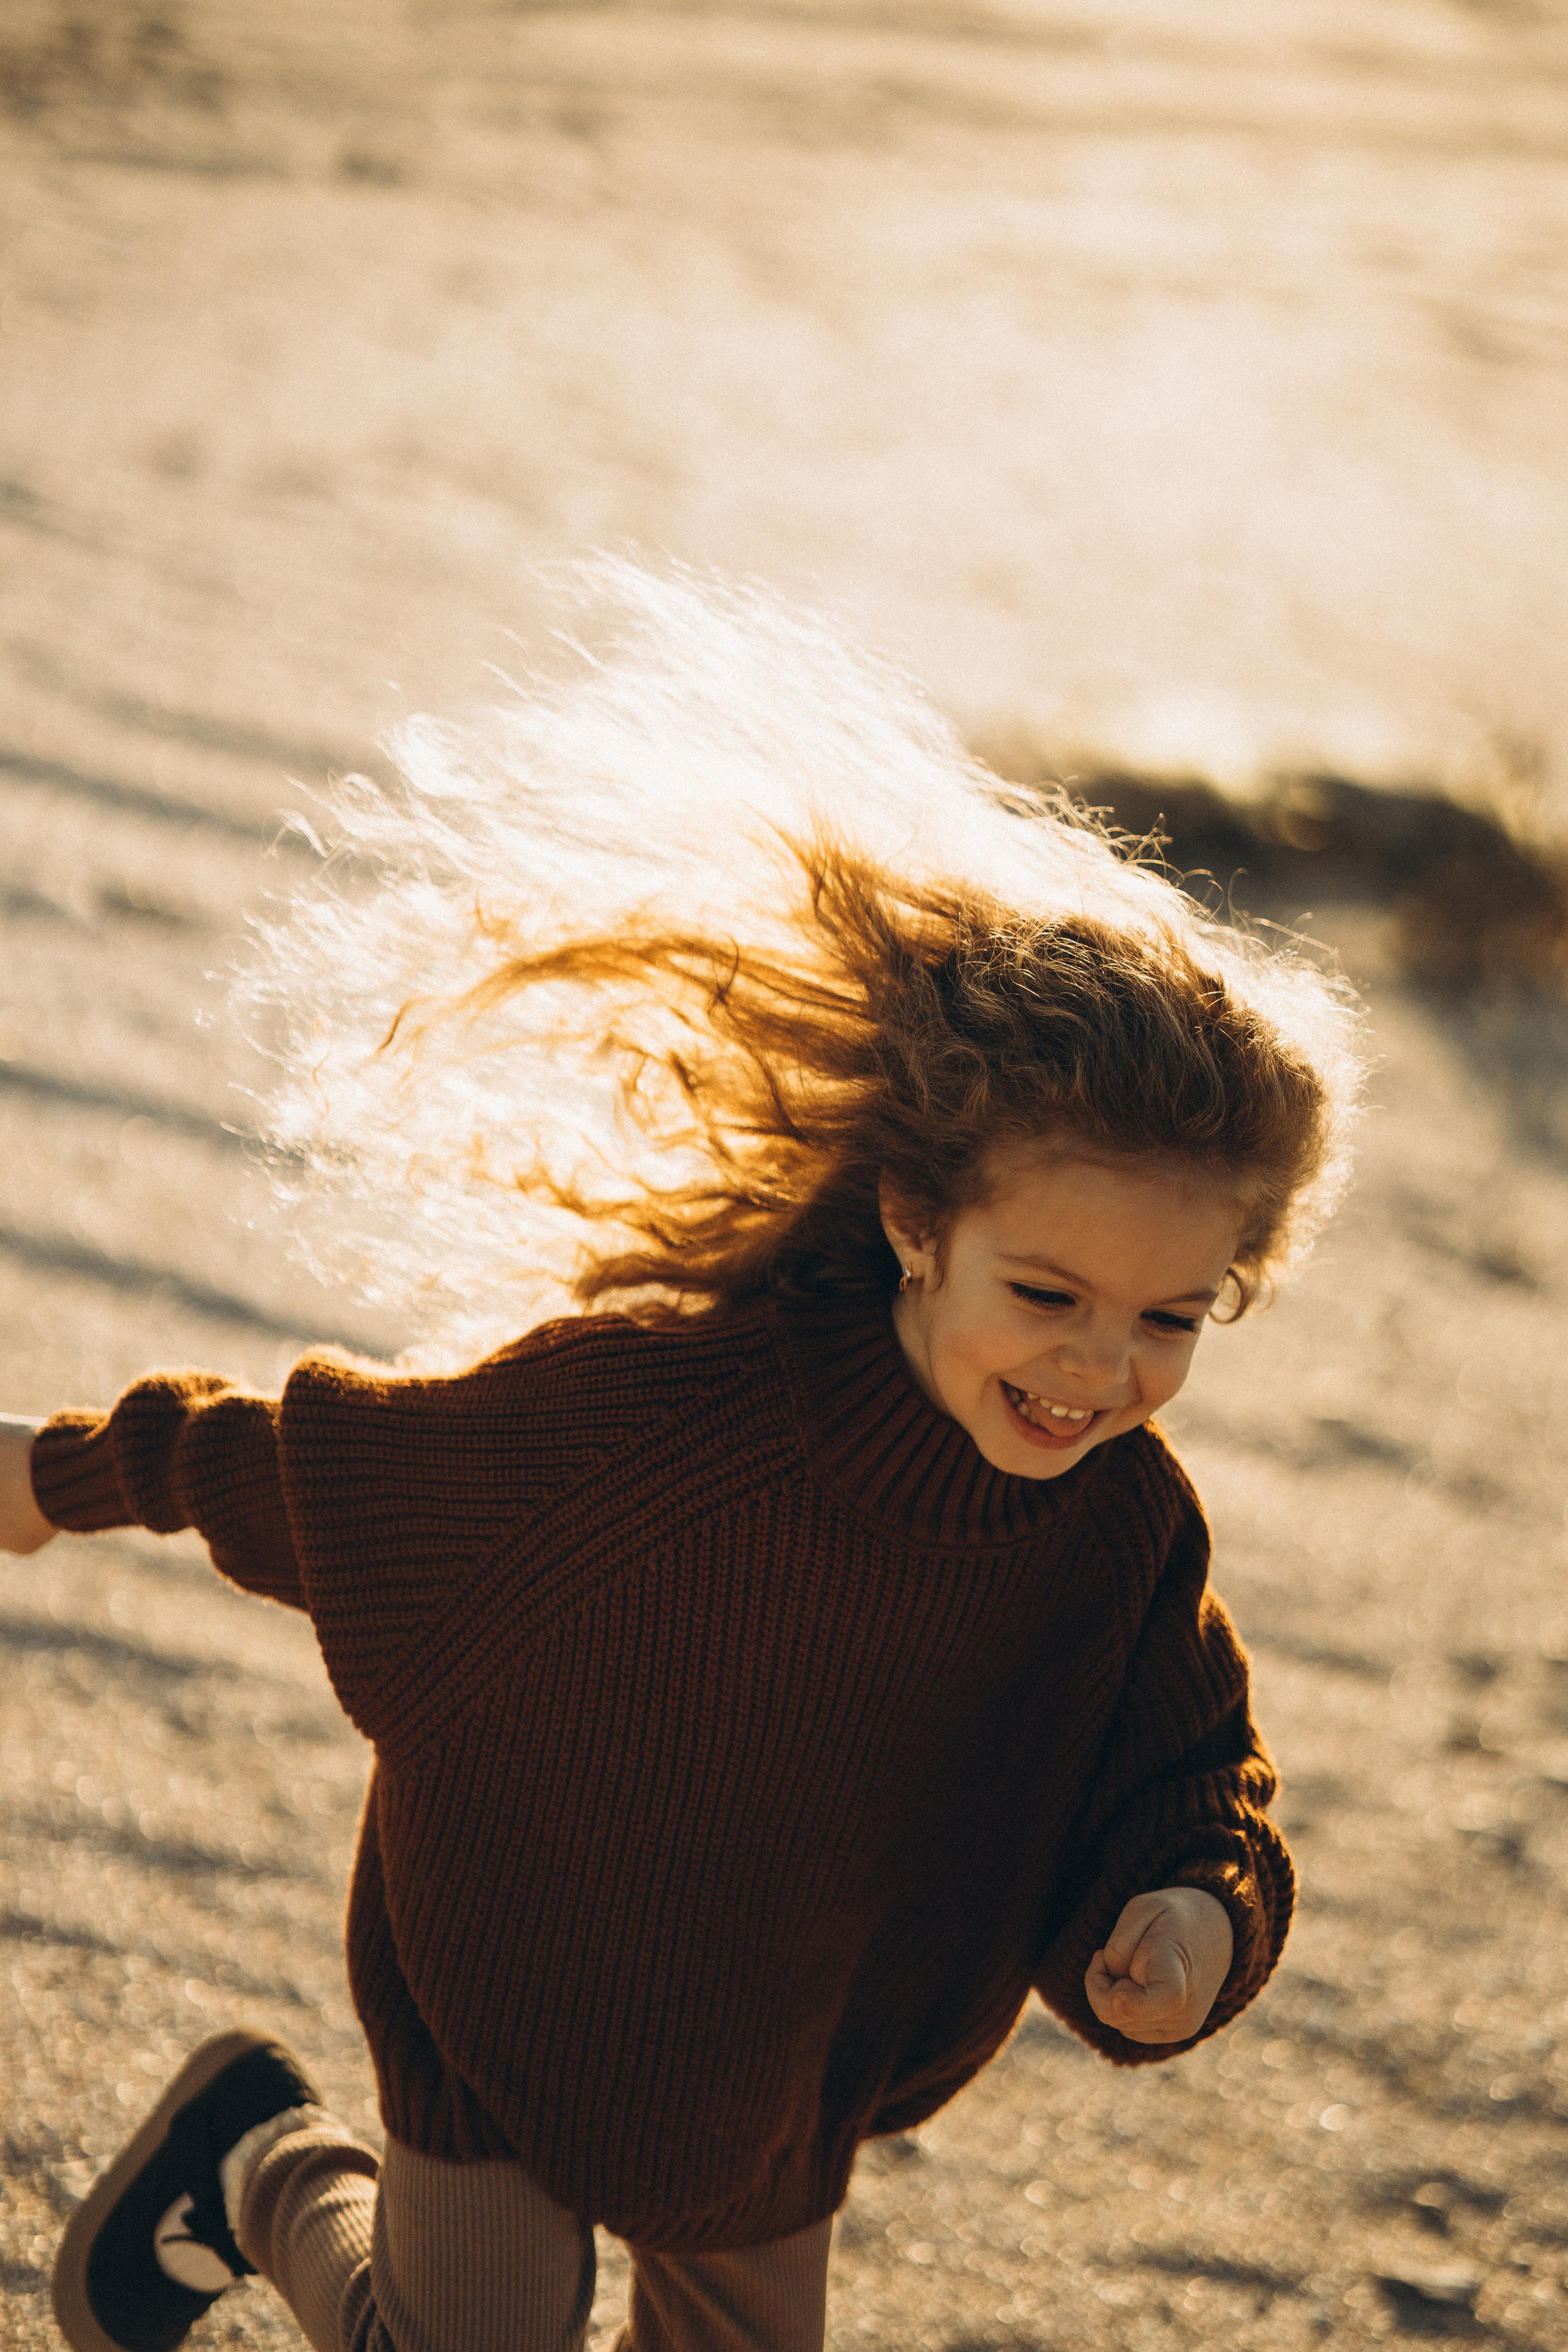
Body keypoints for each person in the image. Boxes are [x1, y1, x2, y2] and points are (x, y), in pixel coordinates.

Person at [1, 571, 1360, 2352]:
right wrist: (55, 1479)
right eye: (1048, 1294)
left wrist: (1191, 1913)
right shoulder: (668, 1427)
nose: (1102, 1370)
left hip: (775, 2072)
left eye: (1174, 1318)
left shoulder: (1118, 1536)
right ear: (918, 1222)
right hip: (508, 1967)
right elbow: (321, 1480)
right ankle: (260, 2161)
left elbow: (1184, 1771)